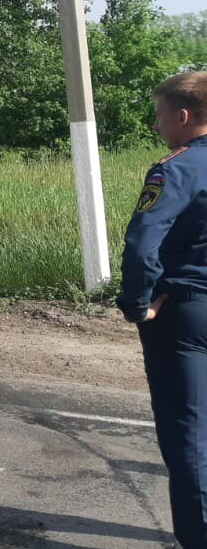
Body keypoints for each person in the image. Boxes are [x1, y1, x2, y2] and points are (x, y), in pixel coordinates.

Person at [118, 70, 207, 549]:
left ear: (182, 115)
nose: (158, 125)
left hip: (188, 314)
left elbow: (141, 245)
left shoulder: (176, 168)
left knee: (191, 439)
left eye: (159, 116)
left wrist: (137, 304)